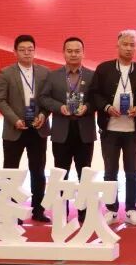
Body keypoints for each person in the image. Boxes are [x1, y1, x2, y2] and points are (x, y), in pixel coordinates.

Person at [90, 29, 136, 226]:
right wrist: (107, 107)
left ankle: (131, 210)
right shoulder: (104, 69)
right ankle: (112, 210)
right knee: (110, 172)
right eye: (125, 44)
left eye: (132, 45)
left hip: (132, 131)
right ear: (118, 45)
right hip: (109, 130)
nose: (128, 48)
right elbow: (94, 94)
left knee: (132, 172)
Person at [0, 35, 51, 222]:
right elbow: (0, 100)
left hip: (38, 128)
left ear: (35, 51)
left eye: (30, 49)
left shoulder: (45, 73)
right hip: (15, 129)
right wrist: (14, 120)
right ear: (15, 52)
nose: (27, 53)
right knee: (11, 172)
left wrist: (43, 115)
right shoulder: (6, 73)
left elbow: (48, 99)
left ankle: (38, 210)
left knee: (38, 171)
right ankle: (12, 211)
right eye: (22, 49)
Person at [40, 37, 96, 188]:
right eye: (69, 51)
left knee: (85, 174)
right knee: (60, 175)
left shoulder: (92, 76)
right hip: (61, 132)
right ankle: (61, 204)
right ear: (63, 53)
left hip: (84, 131)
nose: (73, 54)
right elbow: (43, 98)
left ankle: (84, 204)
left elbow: (97, 99)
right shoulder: (53, 76)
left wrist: (87, 107)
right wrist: (59, 107)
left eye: (77, 51)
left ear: (83, 53)